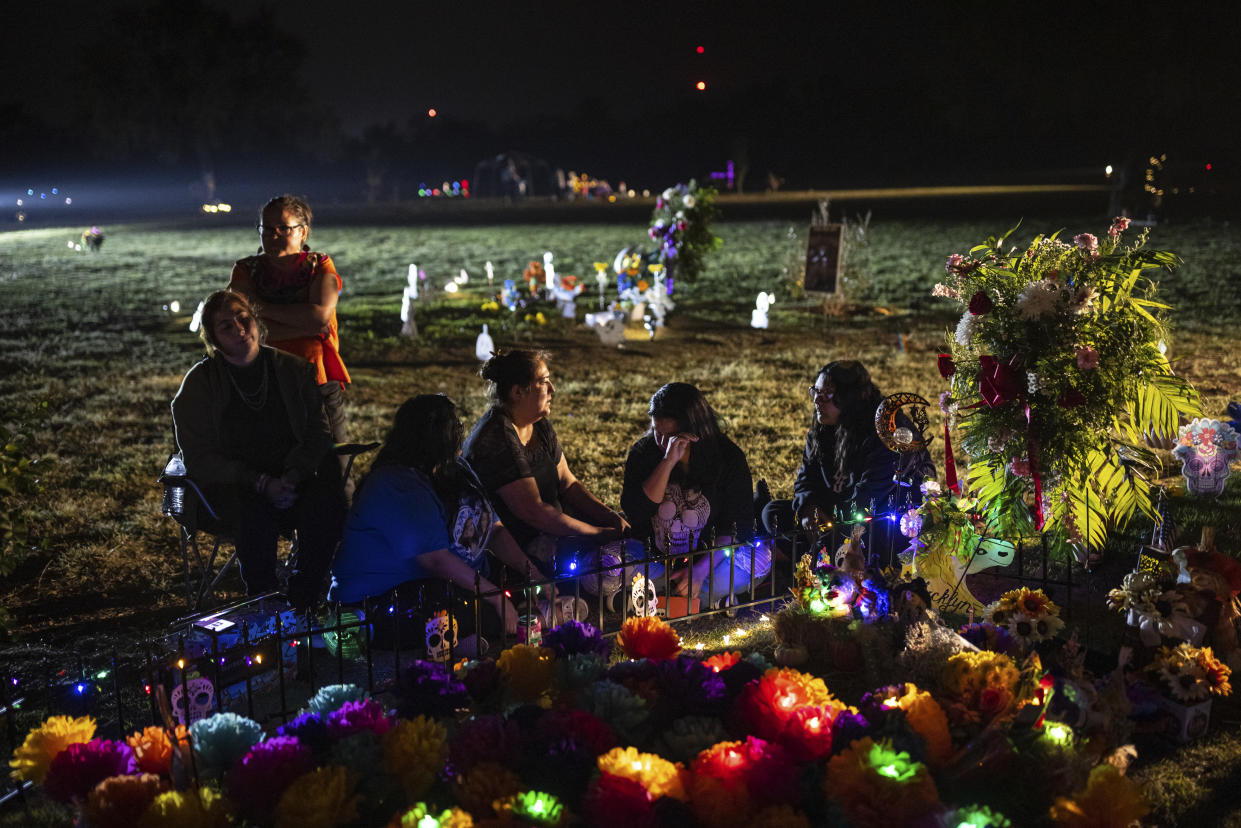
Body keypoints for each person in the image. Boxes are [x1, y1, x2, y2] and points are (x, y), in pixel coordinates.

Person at [171, 290, 344, 608]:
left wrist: (292, 476)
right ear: (214, 340)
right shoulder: (200, 384)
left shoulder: (294, 371)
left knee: (328, 494)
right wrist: (261, 483)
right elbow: (199, 458)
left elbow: (318, 434)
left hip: (291, 481)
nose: (238, 328)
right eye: (225, 326)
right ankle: (264, 600)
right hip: (234, 487)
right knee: (251, 507)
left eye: (243, 317)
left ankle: (305, 595)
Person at [330, 395, 522, 649]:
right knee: (451, 609)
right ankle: (469, 634)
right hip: (379, 600)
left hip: (440, 582)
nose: (459, 432)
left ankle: (498, 619)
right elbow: (435, 560)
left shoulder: (452, 472)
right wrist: (496, 597)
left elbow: (492, 530)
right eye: (452, 427)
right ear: (431, 436)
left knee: (516, 579)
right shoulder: (397, 484)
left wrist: (535, 574)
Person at [463, 349, 629, 577]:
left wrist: (611, 518)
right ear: (518, 392)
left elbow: (568, 483)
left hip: (554, 533)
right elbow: (533, 511)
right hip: (518, 550)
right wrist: (596, 534)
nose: (553, 389)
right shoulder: (496, 438)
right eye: (544, 382)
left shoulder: (538, 423)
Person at [761, 360, 934, 549]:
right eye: (815, 391)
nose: (816, 400)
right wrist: (809, 509)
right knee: (773, 512)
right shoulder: (823, 426)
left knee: (873, 538)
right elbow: (806, 477)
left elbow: (871, 497)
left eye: (826, 394)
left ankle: (812, 555)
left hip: (880, 517)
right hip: (834, 513)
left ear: (849, 398)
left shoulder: (887, 431)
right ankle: (815, 552)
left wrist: (835, 527)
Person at [227, 195, 351, 452]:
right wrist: (304, 325)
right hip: (263, 380)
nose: (273, 235)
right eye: (267, 228)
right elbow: (239, 329)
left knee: (333, 462)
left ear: (303, 232)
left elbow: (319, 319)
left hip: (315, 379)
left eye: (283, 228)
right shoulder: (244, 270)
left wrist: (260, 311)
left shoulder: (320, 265)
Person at [622, 382, 762, 602]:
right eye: (656, 432)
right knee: (612, 561)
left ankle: (663, 592)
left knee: (756, 559)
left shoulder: (728, 458)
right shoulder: (644, 453)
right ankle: (697, 596)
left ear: (694, 434)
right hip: (656, 558)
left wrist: (700, 570)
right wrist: (667, 462)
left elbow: (735, 528)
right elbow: (636, 511)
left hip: (711, 559)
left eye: (670, 438)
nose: (661, 443)